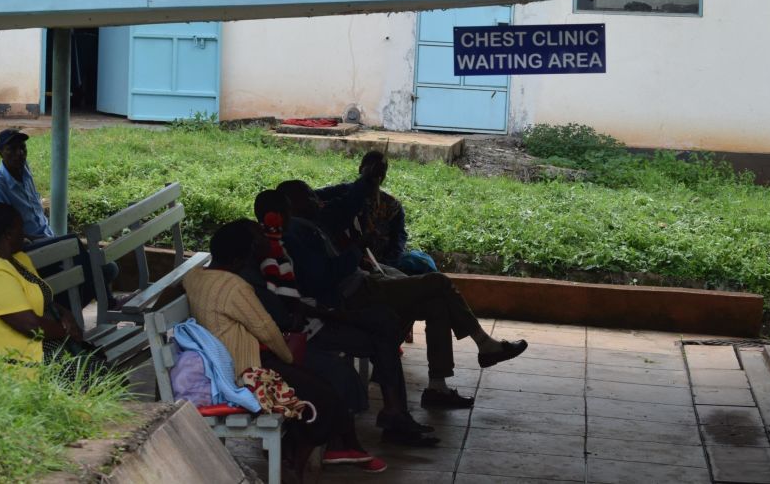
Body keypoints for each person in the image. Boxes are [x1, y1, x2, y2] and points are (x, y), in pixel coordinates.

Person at [277, 178, 529, 410]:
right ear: (290, 204)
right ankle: (484, 344)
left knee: (436, 303)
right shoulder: (297, 232)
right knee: (438, 282)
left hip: (364, 282)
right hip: (357, 294)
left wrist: (366, 182)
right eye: (309, 196)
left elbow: (341, 196)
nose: (316, 199)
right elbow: (323, 278)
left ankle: (437, 388)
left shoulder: (311, 223)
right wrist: (356, 250)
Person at [184, 220, 387, 479]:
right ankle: (307, 462)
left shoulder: (195, 277)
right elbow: (266, 328)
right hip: (245, 371)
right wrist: (289, 357)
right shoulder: (233, 286)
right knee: (323, 394)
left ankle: (314, 454)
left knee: (317, 388)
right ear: (240, 259)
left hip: (229, 363)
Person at [252, 189, 438, 445]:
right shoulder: (273, 250)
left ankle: (395, 413)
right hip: (306, 332)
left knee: (383, 323)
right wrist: (339, 315)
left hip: (315, 319)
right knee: (381, 325)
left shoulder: (283, 241)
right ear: (281, 215)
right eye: (287, 212)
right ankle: (394, 415)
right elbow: (292, 307)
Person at [0, 201, 101, 384]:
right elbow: (30, 326)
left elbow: (42, 298)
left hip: (39, 345)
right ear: (8, 234)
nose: (25, 235)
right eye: (22, 229)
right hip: (8, 358)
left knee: (98, 370)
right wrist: (67, 331)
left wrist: (64, 314)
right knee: (88, 377)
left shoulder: (18, 259)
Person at [0, 128, 118, 307]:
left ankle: (75, 308)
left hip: (48, 239)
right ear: (0, 152)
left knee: (106, 269)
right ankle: (103, 303)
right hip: (29, 249)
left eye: (22, 148)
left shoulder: (25, 171)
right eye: (12, 149)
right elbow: (7, 232)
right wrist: (39, 239)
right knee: (78, 247)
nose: (19, 153)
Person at [317, 150, 436, 276]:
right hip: (346, 264)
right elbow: (310, 197)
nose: (376, 175)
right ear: (360, 169)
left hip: (381, 265)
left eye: (381, 172)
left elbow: (398, 241)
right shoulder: (340, 193)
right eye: (372, 169)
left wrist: (386, 264)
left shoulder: (392, 206)